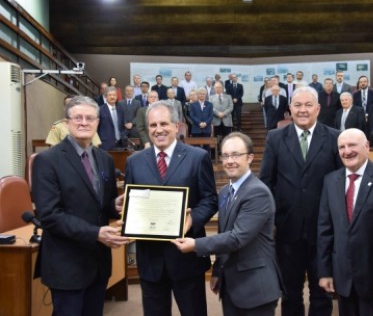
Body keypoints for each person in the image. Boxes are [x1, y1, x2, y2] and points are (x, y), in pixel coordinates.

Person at [32, 96, 128, 316]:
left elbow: (102, 205)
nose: (84, 122)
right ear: (67, 122)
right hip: (67, 264)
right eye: (78, 118)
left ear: (97, 123)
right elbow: (49, 215)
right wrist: (95, 233)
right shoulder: (47, 161)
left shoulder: (105, 160)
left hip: (98, 263)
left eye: (89, 118)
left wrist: (115, 204)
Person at [124, 100, 218, 316]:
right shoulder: (134, 162)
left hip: (186, 257)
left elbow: (210, 200)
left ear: (177, 125)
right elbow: (134, 204)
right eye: (153, 125)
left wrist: (191, 219)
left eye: (164, 124)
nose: (158, 130)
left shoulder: (198, 157)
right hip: (150, 260)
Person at [174, 132, 282, 316]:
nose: (229, 160)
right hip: (231, 285)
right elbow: (224, 230)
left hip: (255, 287)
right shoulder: (225, 192)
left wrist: (195, 245)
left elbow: (237, 238)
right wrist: (217, 270)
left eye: (235, 155)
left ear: (250, 157)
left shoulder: (257, 192)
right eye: (225, 155)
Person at [259, 86, 342, 316]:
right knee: (290, 296)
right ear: (289, 109)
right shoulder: (275, 138)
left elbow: (341, 184)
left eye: (308, 105)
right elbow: (265, 182)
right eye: (297, 105)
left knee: (322, 295)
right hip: (286, 230)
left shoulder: (335, 137)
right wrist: (272, 221)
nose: (302, 110)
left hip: (324, 232)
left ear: (317, 108)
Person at [317, 128, 373, 316]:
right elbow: (324, 230)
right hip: (343, 279)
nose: (347, 151)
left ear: (367, 146)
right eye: (342, 147)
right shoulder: (330, 181)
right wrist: (325, 271)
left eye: (352, 145)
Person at [97, 86, 126, 150]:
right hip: (105, 145)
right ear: (106, 96)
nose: (112, 97)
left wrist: (123, 136)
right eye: (110, 95)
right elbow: (96, 128)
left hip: (120, 144)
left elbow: (122, 126)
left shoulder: (120, 109)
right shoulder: (100, 110)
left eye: (114, 95)